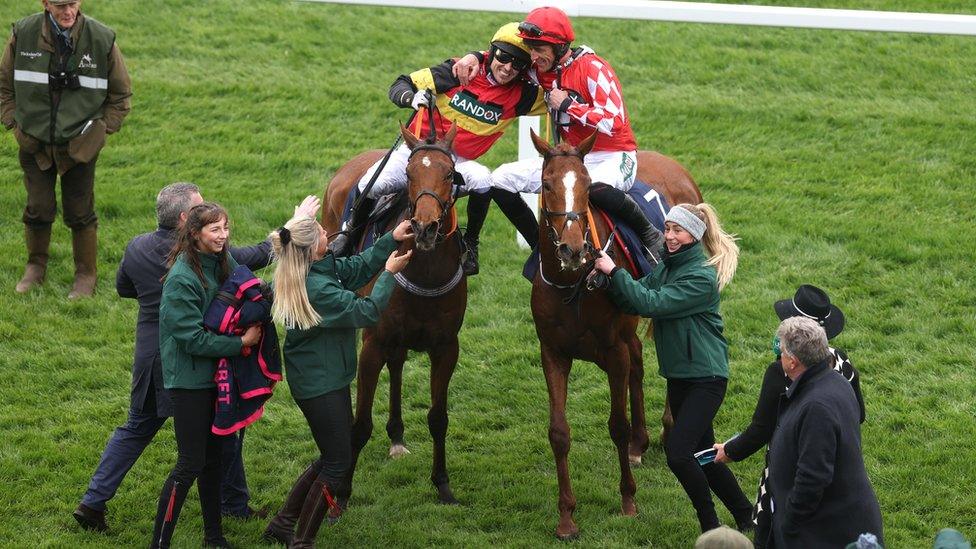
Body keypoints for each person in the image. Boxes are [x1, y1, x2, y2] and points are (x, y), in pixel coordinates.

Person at [72, 183, 275, 532]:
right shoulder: (199, 254)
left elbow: (123, 288)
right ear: (186, 220)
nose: (209, 218)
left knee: (138, 427)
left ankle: (92, 502)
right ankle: (235, 504)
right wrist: (280, 239)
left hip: (149, 357)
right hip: (192, 360)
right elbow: (248, 257)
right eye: (200, 211)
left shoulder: (137, 247)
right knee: (222, 430)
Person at [330, 22, 544, 276]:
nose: (508, 68)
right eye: (503, 57)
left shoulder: (523, 94)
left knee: (484, 179)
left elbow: (554, 84)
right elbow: (401, 83)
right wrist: (411, 98)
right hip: (418, 153)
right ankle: (348, 234)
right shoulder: (458, 71)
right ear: (492, 52)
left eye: (517, 64)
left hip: (458, 162)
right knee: (370, 184)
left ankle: (471, 244)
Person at [262, 196, 414, 547]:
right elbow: (367, 311)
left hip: (324, 379)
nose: (327, 232)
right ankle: (302, 541)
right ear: (311, 247)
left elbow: (356, 269)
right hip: (320, 386)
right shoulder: (317, 288)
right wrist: (389, 275)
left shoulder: (315, 268)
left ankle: (284, 523)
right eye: (319, 231)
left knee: (331, 457)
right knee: (336, 464)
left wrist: (391, 237)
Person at [452, 6, 663, 259]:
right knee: (501, 180)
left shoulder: (594, 68)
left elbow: (614, 120)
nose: (534, 56)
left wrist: (567, 105)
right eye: (532, 48)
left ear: (561, 47)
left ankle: (650, 234)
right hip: (570, 158)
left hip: (614, 155)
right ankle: (539, 248)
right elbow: (505, 59)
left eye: (540, 49)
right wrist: (475, 56)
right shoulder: (540, 67)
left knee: (594, 187)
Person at [592, 203, 752, 533]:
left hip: (706, 379)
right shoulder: (669, 267)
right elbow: (633, 297)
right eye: (667, 229)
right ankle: (746, 514)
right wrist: (607, 282)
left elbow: (651, 304)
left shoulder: (700, 276)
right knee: (705, 454)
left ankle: (709, 525)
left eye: (677, 230)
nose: (669, 236)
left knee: (680, 454)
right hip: (682, 377)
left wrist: (615, 273)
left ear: (694, 234)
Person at [712, 284, 865, 548]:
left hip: (790, 473)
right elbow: (859, 414)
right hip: (841, 473)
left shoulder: (779, 372)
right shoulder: (842, 360)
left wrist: (730, 450)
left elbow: (761, 429)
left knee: (773, 531)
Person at [150, 202, 265, 548]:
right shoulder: (181, 278)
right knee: (190, 464)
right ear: (195, 233)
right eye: (215, 230)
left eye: (226, 227)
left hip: (217, 378)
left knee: (215, 460)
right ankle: (159, 543)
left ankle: (213, 537)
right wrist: (240, 342)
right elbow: (190, 339)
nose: (223, 235)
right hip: (189, 383)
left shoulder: (223, 263)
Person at [1, 0, 131, 298]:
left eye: (72, 3)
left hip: (80, 148)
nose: (68, 11)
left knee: (80, 211)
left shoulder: (101, 38)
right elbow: (3, 84)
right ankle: (35, 268)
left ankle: (86, 275)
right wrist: (13, 122)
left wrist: (99, 131)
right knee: (38, 208)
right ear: (45, 4)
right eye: (60, 5)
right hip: (34, 142)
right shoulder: (23, 33)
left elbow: (121, 96)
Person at [766, 317, 883, 548]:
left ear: (792, 362)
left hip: (825, 531)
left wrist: (788, 523)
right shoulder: (835, 382)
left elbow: (813, 478)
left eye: (782, 354)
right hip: (840, 518)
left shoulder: (816, 407)